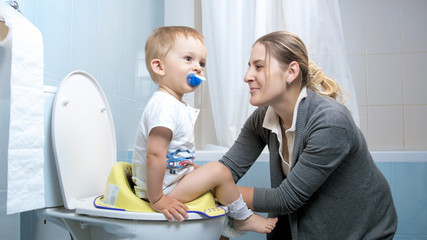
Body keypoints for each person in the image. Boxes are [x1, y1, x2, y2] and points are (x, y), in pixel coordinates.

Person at [218, 31, 398, 239]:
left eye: (259, 66)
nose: (247, 76)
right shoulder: (263, 119)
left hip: (362, 232)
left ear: (291, 72)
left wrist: (222, 193)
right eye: (249, 66)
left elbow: (285, 199)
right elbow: (226, 170)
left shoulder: (330, 121)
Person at [131, 26, 277, 234]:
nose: (198, 68)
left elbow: (172, 152)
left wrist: (188, 170)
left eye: (202, 63)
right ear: (159, 67)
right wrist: (157, 199)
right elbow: (155, 155)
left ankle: (225, 230)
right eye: (188, 59)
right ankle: (242, 218)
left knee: (214, 180)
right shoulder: (164, 106)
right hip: (162, 189)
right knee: (219, 171)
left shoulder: (174, 104)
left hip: (171, 182)